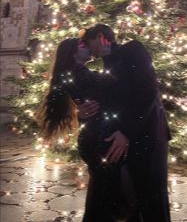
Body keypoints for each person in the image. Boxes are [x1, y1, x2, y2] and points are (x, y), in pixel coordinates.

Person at [37, 38, 136, 222]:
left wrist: (77, 111)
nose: (89, 49)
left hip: (92, 136)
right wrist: (108, 57)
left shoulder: (69, 72)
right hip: (99, 138)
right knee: (105, 196)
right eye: (83, 46)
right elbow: (112, 82)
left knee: (101, 193)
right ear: (73, 53)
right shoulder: (78, 71)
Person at [81, 24, 172, 222]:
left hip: (148, 136)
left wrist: (126, 132)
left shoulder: (134, 49)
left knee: (151, 198)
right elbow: (115, 98)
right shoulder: (109, 61)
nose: (91, 52)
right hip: (125, 140)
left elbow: (148, 93)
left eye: (90, 44)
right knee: (129, 198)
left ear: (100, 37)